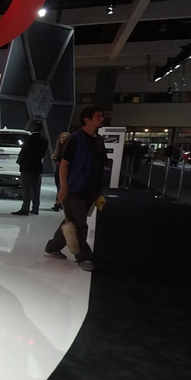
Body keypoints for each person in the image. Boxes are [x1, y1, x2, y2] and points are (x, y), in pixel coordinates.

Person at [44, 106, 107, 272]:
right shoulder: (75, 139)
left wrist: (99, 189)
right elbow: (64, 164)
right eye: (98, 115)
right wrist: (63, 187)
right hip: (73, 189)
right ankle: (84, 257)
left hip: (90, 190)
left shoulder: (99, 140)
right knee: (80, 225)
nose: (102, 118)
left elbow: (100, 165)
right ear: (87, 119)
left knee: (72, 221)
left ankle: (52, 247)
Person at [13, 121, 48, 215]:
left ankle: (25, 208)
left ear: (33, 127)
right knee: (35, 188)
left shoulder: (28, 140)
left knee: (26, 188)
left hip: (27, 166)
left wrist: (19, 161)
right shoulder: (44, 140)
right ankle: (35, 208)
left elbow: (24, 152)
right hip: (37, 166)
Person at [50, 131, 70, 212]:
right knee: (58, 186)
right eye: (61, 137)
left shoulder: (69, 149)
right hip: (58, 170)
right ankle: (59, 202)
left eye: (64, 137)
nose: (62, 139)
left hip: (65, 170)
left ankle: (59, 203)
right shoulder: (59, 149)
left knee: (62, 186)